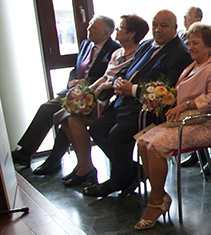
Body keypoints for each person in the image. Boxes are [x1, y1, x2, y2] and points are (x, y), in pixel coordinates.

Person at [85, 10, 192, 198]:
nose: (157, 30)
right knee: (96, 128)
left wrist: (133, 90)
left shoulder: (180, 53)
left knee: (117, 135)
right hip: (123, 103)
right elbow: (127, 68)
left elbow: (169, 90)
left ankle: (116, 183)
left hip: (147, 110)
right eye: (155, 25)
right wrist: (117, 81)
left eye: (164, 26)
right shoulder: (145, 46)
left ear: (175, 28)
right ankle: (132, 172)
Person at [134, 23, 211, 229]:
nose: (191, 46)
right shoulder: (191, 67)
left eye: (196, 43)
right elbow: (179, 95)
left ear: (210, 46)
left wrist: (186, 104)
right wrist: (160, 98)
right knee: (142, 141)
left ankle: (155, 201)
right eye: (189, 42)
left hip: (208, 124)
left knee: (155, 146)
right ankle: (160, 195)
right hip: (184, 120)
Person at [12, 16, 120, 174]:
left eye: (93, 27)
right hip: (73, 91)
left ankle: (54, 160)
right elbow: (75, 68)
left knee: (66, 116)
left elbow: (108, 76)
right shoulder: (85, 44)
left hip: (92, 95)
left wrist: (83, 86)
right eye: (89, 25)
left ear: (105, 33)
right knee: (46, 108)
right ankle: (26, 153)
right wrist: (71, 82)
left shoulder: (114, 49)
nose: (89, 28)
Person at [62, 14, 148, 187]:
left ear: (131, 33)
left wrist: (102, 88)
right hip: (102, 93)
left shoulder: (138, 53)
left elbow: (120, 80)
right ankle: (84, 165)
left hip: (112, 97)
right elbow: (104, 76)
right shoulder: (117, 52)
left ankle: (126, 170)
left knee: (92, 126)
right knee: (68, 118)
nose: (116, 30)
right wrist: (89, 90)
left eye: (120, 28)